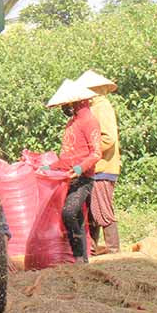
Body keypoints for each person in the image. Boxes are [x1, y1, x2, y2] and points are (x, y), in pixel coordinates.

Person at [41, 79, 102, 263]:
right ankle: (81, 259)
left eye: (67, 104)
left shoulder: (90, 121)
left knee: (69, 212)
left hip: (83, 178)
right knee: (74, 216)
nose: (65, 107)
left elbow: (96, 153)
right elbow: (66, 156)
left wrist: (79, 168)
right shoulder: (71, 123)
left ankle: (78, 257)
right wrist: (50, 167)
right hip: (68, 177)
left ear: (78, 102)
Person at [76, 70, 122, 254]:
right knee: (92, 209)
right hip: (95, 166)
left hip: (103, 165)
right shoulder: (93, 108)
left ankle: (112, 248)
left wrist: (87, 152)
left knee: (102, 209)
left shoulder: (101, 107)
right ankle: (92, 247)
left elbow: (108, 139)